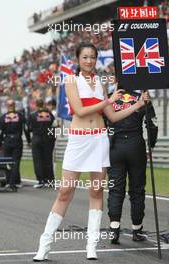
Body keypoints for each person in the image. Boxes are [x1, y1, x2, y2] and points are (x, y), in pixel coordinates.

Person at [33, 42, 149, 262]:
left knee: (96, 192)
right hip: (78, 140)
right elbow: (78, 110)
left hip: (99, 140)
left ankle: (92, 246)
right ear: (78, 59)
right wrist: (107, 101)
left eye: (93, 57)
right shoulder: (70, 80)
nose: (89, 61)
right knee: (65, 192)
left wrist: (138, 105)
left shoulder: (99, 82)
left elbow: (112, 116)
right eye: (85, 57)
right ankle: (44, 245)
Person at [106, 76, 158, 244]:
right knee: (137, 189)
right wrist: (151, 143)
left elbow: (100, 123)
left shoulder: (109, 98)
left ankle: (114, 229)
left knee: (115, 189)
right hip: (136, 145)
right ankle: (137, 230)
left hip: (114, 146)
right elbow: (152, 124)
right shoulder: (142, 97)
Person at [0, 99, 31, 191]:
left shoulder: (3, 117)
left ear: (7, 106)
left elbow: (0, 133)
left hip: (7, 140)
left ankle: (9, 182)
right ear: (14, 106)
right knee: (16, 161)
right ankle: (13, 182)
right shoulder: (20, 116)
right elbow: (26, 129)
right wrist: (29, 141)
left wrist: (0, 143)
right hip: (17, 140)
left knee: (7, 162)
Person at [28, 99, 55, 188]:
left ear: (36, 105)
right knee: (48, 160)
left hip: (37, 138)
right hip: (48, 138)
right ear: (43, 104)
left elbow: (28, 128)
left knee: (38, 160)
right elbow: (53, 126)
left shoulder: (32, 115)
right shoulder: (50, 114)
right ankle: (50, 180)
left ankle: (40, 180)